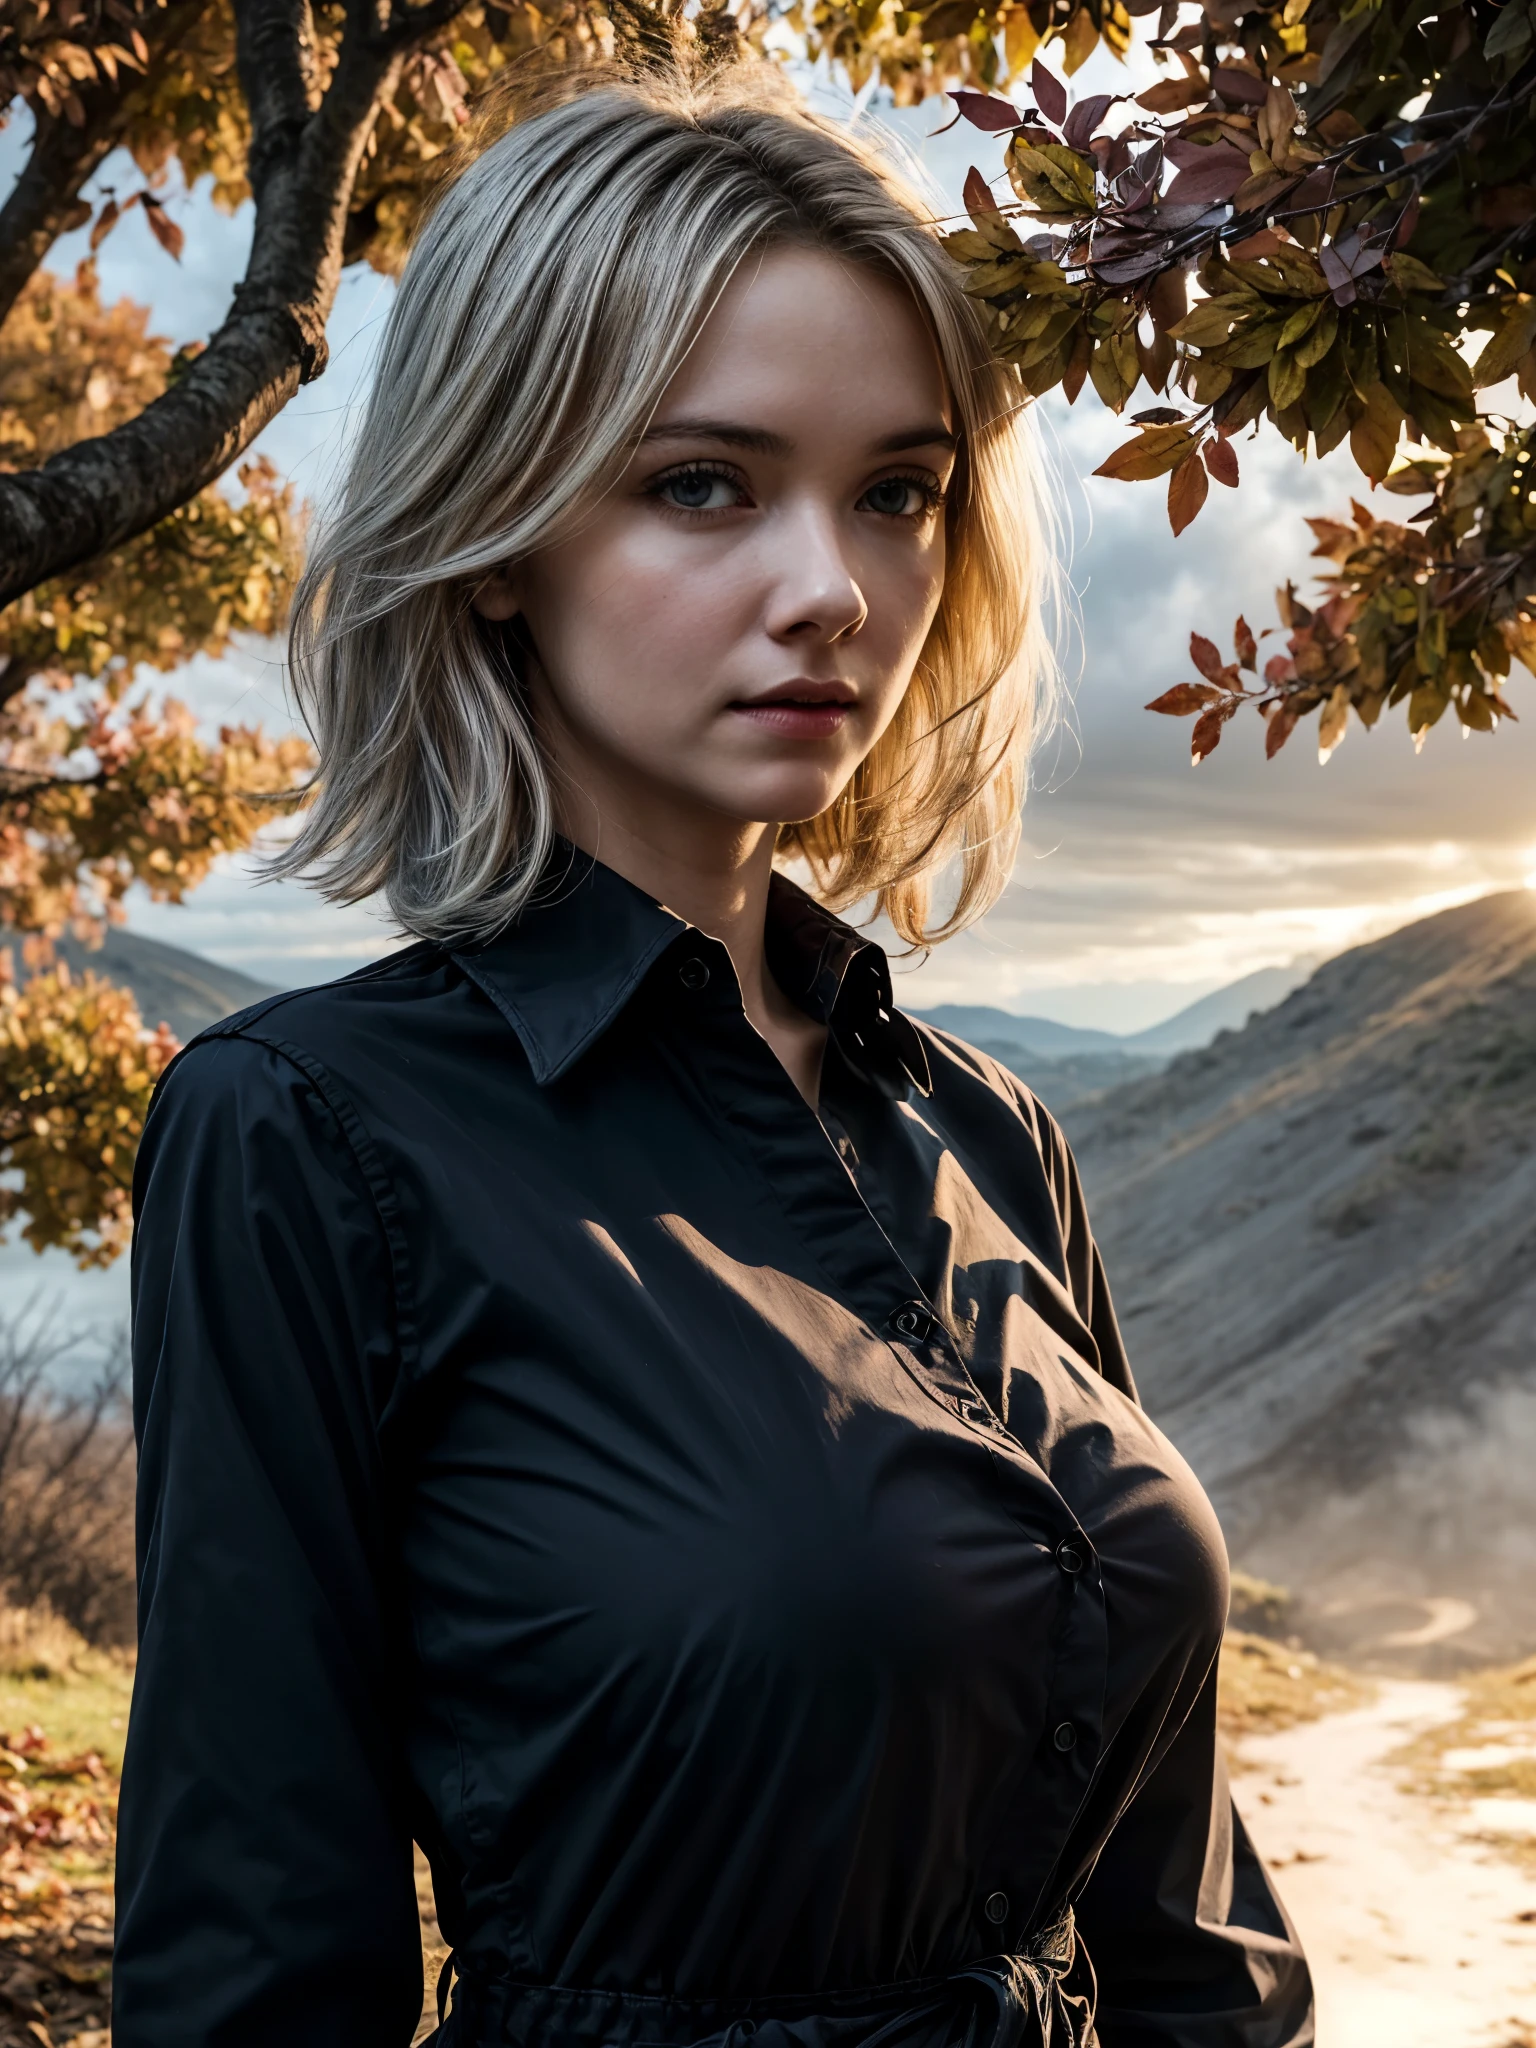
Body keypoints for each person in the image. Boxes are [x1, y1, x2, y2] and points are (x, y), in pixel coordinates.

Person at [116, 53, 1314, 2048]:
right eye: (703, 483)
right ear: (498, 534)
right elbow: (254, 1961)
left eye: (898, 494)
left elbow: (1186, 1915)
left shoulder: (992, 1133)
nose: (833, 588)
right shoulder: (304, 1135)